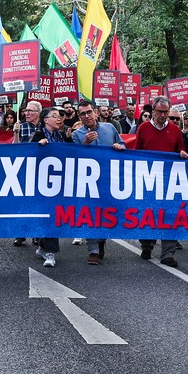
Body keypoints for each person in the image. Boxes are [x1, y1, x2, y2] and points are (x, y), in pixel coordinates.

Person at [69, 100, 126, 265]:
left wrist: (119, 146)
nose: (87, 116)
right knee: (90, 213)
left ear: (95, 112)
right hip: (89, 181)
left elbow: (122, 145)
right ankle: (92, 248)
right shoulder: (77, 134)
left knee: (106, 213)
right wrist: (86, 143)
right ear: (79, 116)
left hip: (109, 179)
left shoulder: (110, 128)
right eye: (83, 114)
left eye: (89, 112)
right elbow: (75, 158)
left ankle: (100, 240)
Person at [134, 96, 188, 266]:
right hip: (149, 179)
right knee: (148, 213)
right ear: (153, 111)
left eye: (166, 112)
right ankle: (147, 245)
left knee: (170, 215)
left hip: (169, 181)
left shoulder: (174, 130)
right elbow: (137, 152)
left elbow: (180, 148)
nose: (163, 115)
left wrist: (182, 153)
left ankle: (168, 253)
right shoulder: (143, 128)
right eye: (160, 112)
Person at [30, 108, 67, 267]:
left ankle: (42, 248)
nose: (59, 119)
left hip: (59, 182)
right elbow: (28, 154)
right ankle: (50, 253)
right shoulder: (39, 136)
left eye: (59, 117)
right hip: (43, 184)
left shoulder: (62, 136)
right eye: (55, 117)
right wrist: (38, 147)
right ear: (45, 120)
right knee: (51, 215)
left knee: (53, 214)